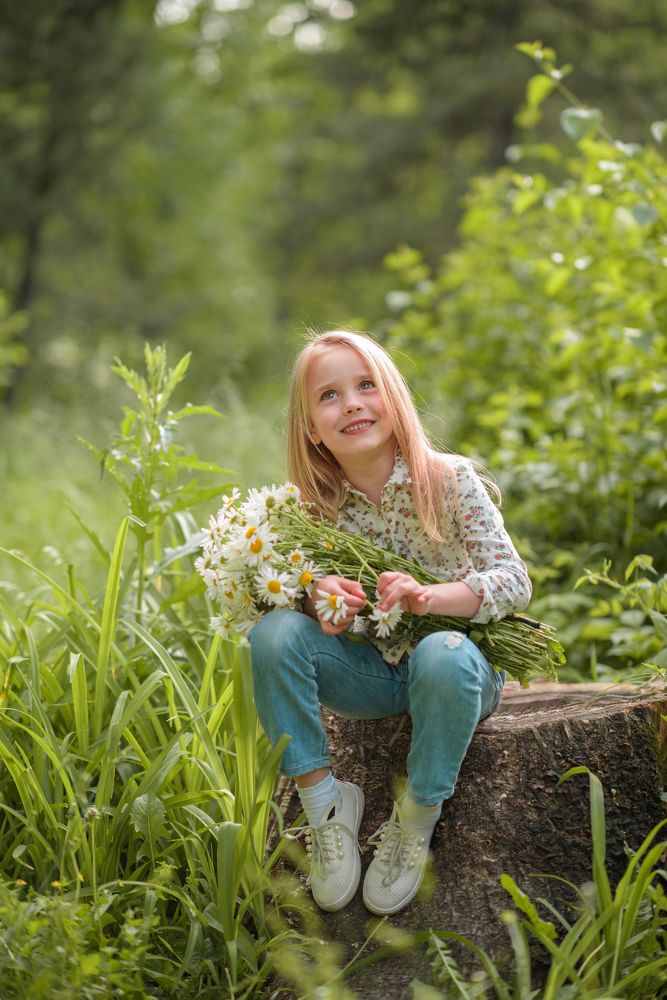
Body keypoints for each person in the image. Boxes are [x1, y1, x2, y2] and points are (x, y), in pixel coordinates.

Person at [248, 329, 532, 916]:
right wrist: (319, 602)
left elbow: (513, 580)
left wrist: (430, 598)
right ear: (310, 427)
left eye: (365, 385)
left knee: (443, 652)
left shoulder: (449, 481)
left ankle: (415, 816)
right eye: (329, 395)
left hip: (459, 673)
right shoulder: (311, 511)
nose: (351, 404)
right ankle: (325, 805)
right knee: (272, 634)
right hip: (372, 678)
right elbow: (296, 612)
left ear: (393, 397)